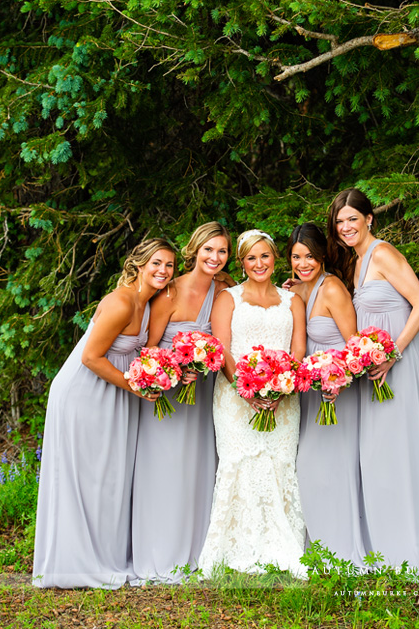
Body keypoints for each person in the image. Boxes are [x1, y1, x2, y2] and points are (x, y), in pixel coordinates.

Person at [33, 238, 176, 589]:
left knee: (109, 476)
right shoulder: (121, 302)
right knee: (88, 476)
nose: (163, 271)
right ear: (139, 264)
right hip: (85, 393)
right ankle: (76, 562)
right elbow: (90, 357)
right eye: (156, 263)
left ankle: (103, 555)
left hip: (115, 393)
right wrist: (137, 387)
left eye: (170, 265)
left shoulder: (150, 301)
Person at [327, 188, 419, 580]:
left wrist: (392, 353)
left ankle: (413, 550)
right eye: (340, 221)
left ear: (369, 219)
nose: (346, 226)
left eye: (352, 219)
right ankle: (389, 545)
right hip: (376, 368)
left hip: (399, 362)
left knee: (398, 450)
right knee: (378, 453)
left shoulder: (382, 253)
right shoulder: (357, 260)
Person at [198, 229, 307, 577]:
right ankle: (237, 546)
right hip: (234, 396)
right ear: (242, 262)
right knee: (239, 462)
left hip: (283, 398)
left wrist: (281, 387)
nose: (259, 263)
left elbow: (299, 348)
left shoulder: (293, 301)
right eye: (250, 257)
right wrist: (248, 389)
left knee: (278, 462)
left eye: (265, 256)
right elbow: (223, 348)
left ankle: (281, 546)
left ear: (274, 258)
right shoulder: (228, 297)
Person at [132, 222, 232, 583]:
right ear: (194, 250)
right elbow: (151, 346)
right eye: (208, 249)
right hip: (168, 395)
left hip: (201, 393)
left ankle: (194, 552)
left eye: (221, 251)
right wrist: (175, 368)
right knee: (165, 468)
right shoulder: (169, 293)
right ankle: (159, 553)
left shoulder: (224, 290)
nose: (215, 257)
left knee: (197, 468)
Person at [285, 223, 367, 568]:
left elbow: (357, 347)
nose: (303, 263)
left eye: (310, 256)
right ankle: (318, 545)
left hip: (337, 394)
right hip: (310, 394)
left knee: (331, 466)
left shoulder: (332, 288)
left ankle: (341, 548)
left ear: (322, 255)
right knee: (309, 468)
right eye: (296, 256)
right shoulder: (299, 289)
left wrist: (337, 380)